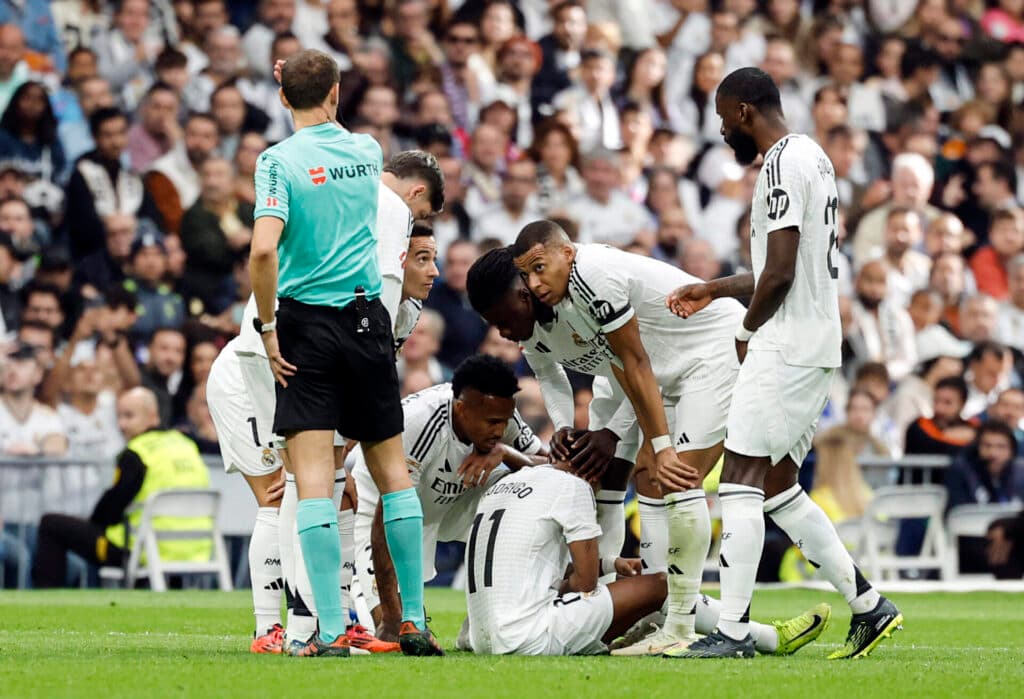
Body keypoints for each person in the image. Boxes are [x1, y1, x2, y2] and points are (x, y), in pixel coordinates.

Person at [666, 67, 900, 660]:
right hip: (816, 341)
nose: (722, 132)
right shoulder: (814, 157)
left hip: (785, 345)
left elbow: (779, 274)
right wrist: (715, 288)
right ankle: (870, 606)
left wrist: (745, 330)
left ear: (746, 111)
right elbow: (783, 270)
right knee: (777, 486)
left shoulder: (777, 165)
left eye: (723, 119)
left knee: (739, 482)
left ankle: (735, 632)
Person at [510, 219, 780, 658]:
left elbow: (635, 362)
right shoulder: (570, 294)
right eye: (527, 275)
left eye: (540, 267)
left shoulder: (594, 275)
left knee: (679, 480)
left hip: (711, 351)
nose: (536, 283)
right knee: (656, 480)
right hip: (673, 370)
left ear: (567, 253)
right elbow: (624, 369)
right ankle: (657, 618)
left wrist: (660, 446)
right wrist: (640, 441)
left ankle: (679, 626)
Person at [250, 49, 440, 657]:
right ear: (335, 92)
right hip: (367, 323)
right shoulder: (367, 152)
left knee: (312, 482)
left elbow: (261, 252)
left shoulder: (276, 162)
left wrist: (267, 325)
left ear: (283, 98)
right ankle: (411, 619)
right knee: (393, 477)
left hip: (304, 324)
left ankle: (328, 629)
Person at [465, 461, 829, 657]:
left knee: (631, 591)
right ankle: (769, 637)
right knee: (660, 586)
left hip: (483, 638)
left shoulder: (510, 486)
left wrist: (611, 566)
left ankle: (640, 631)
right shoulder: (573, 487)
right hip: (530, 636)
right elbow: (586, 584)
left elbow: (534, 572)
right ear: (592, 470)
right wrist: (599, 576)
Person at [352, 355, 547, 640]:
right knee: (388, 632)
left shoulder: (501, 411)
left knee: (527, 490)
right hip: (383, 508)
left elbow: (553, 470)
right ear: (461, 410)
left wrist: (507, 453)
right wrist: (394, 618)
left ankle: (488, 623)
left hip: (455, 500)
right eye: (492, 422)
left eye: (504, 422)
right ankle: (356, 601)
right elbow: (385, 522)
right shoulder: (417, 422)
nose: (500, 431)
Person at [31, 387, 212, 588]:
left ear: (152, 416)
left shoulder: (137, 453)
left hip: (139, 550)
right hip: (196, 549)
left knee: (50, 524)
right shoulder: (186, 445)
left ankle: (49, 597)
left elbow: (111, 509)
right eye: (119, 417)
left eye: (129, 416)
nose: (121, 424)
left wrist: (92, 523)